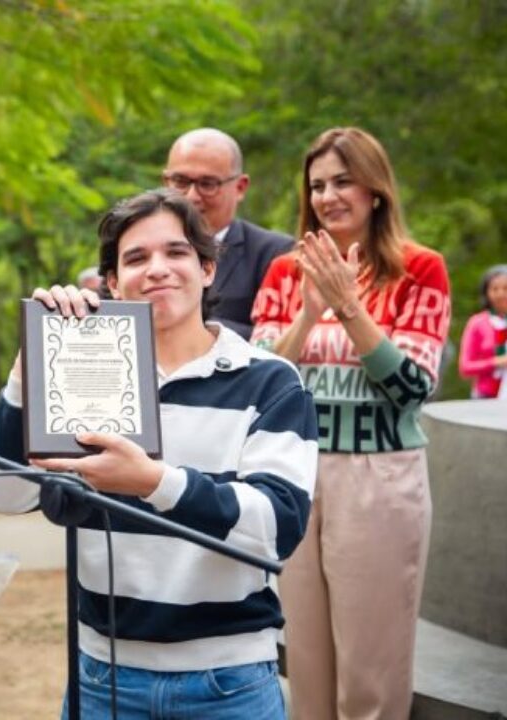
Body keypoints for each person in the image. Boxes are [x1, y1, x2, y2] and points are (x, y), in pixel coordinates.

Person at [0, 189, 318, 719]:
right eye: (135, 258)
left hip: (229, 684)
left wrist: (152, 481)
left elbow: (279, 526)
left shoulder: (270, 380)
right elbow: (5, 493)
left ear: (208, 269)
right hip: (103, 677)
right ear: (112, 282)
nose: (157, 269)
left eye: (176, 252)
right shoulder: (83, 375)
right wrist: (31, 365)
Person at [251, 127, 452, 719]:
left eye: (343, 181)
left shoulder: (420, 269)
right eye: (317, 185)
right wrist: (310, 314)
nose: (328, 196)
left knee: (371, 665)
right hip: (295, 472)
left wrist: (350, 307)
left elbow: (410, 390)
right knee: (306, 661)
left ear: (375, 189)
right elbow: (263, 380)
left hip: (378, 477)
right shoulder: (286, 272)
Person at [163, 128, 293, 340]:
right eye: (181, 181)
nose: (192, 196)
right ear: (165, 182)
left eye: (207, 184)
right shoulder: (136, 249)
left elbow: (279, 339)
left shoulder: (273, 253)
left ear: (240, 187)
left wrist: (194, 327)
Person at [458, 264, 507, 398]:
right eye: (495, 289)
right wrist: (497, 362)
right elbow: (465, 367)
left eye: (505, 288)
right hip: (485, 397)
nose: (500, 294)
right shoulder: (478, 323)